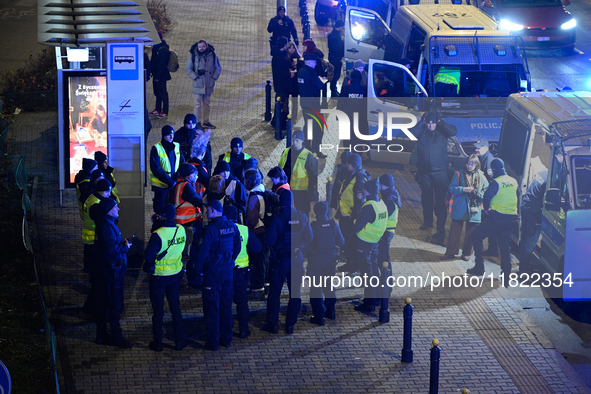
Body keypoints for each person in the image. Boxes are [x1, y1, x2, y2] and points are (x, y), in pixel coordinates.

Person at [193, 200, 241, 351]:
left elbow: (203, 252)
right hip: (227, 274)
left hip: (213, 275)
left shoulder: (211, 229)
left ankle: (213, 342)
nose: (206, 212)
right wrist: (229, 261)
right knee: (226, 307)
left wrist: (197, 270)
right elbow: (237, 247)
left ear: (213, 211)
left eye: (207, 210)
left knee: (212, 308)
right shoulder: (232, 227)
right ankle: (226, 339)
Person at [263, 190, 312, 334]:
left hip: (280, 260)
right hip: (297, 259)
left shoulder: (278, 219)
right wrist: (301, 248)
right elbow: (309, 237)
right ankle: (290, 325)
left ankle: (273, 325)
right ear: (292, 201)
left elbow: (270, 241)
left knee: (274, 293)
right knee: (295, 293)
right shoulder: (302, 216)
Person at [143, 204, 187, 352]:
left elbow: (149, 257)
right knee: (175, 309)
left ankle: (158, 343)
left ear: (162, 216)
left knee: (158, 311)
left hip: (159, 278)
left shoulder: (158, 234)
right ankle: (180, 341)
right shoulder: (181, 230)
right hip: (175, 275)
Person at [91, 198, 132, 348]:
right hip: (112, 271)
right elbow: (110, 249)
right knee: (115, 305)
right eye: (115, 207)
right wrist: (125, 247)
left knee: (105, 303)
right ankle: (116, 337)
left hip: (107, 270)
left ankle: (102, 335)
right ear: (108, 210)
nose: (118, 209)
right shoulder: (107, 227)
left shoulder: (106, 224)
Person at [467, 158, 518, 277]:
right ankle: (506, 273)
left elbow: (487, 197)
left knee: (476, 235)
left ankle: (479, 268)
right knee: (505, 246)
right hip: (510, 218)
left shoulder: (496, 182)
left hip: (497, 217)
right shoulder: (513, 181)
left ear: (493, 170)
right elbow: (518, 196)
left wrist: (487, 210)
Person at [413, 110, 457, 244]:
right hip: (425, 172)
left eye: (432, 124)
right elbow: (411, 133)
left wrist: (441, 122)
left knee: (439, 201)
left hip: (440, 172)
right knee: (426, 198)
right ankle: (428, 222)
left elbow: (453, 131)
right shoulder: (422, 131)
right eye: (428, 124)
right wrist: (421, 122)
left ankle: (440, 228)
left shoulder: (442, 131)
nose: (430, 126)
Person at [223, 205, 262, 339]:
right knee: (241, 301)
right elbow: (257, 248)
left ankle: (225, 331)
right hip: (241, 272)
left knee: (225, 301)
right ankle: (243, 330)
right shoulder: (244, 230)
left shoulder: (221, 229)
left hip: (226, 271)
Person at [441, 155, 488, 261]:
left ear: (476, 164)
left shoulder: (481, 176)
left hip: (474, 209)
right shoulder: (459, 174)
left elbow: (485, 190)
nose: (469, 166)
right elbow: (451, 188)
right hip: (460, 207)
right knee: (454, 232)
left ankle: (466, 253)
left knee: (471, 233)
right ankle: (450, 252)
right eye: (468, 163)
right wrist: (463, 189)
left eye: (472, 164)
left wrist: (478, 194)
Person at [353, 179, 388, 312]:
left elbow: (358, 225)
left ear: (367, 191)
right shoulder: (381, 203)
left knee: (367, 274)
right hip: (375, 242)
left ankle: (369, 304)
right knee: (374, 271)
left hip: (364, 243)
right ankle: (377, 298)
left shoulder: (369, 206)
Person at [308, 201, 344, 325]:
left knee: (316, 288)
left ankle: (319, 316)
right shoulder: (333, 224)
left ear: (315, 213)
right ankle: (331, 311)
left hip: (316, 261)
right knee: (329, 285)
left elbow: (308, 243)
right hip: (330, 261)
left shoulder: (313, 226)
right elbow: (341, 242)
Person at [334, 153, 369, 270]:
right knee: (346, 239)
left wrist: (354, 218)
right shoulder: (352, 175)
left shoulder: (359, 179)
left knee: (350, 240)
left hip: (350, 216)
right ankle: (349, 259)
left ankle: (351, 264)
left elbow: (359, 202)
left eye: (348, 164)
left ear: (352, 165)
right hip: (345, 214)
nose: (346, 165)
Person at [278, 129, 318, 214]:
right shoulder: (286, 151)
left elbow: (313, 175)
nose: (294, 142)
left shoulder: (307, 155)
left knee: (302, 213)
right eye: (293, 140)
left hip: (301, 191)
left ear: (302, 141)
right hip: (287, 188)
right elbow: (280, 168)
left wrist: (310, 192)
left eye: (297, 140)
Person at [244, 169, 270, 296]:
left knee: (257, 261)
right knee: (263, 259)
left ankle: (257, 288)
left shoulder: (254, 196)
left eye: (246, 179)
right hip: (264, 231)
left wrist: (247, 229)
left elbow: (252, 218)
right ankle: (264, 284)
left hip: (257, 232)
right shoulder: (262, 191)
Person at [170, 163, 203, 262]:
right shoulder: (186, 187)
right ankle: (184, 270)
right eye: (194, 174)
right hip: (187, 223)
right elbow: (198, 201)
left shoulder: (177, 185)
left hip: (179, 222)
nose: (196, 176)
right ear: (188, 176)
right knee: (186, 249)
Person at [186, 39, 222, 129]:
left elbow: (218, 67)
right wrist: (195, 76)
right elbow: (188, 69)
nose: (201, 48)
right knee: (197, 105)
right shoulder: (193, 56)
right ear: (197, 47)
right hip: (198, 84)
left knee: (206, 104)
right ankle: (197, 122)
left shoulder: (212, 55)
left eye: (203, 46)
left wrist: (213, 77)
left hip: (208, 84)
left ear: (206, 46)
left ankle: (206, 121)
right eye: (200, 47)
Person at [150, 125, 184, 214]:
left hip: (174, 184)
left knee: (172, 210)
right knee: (160, 210)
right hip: (161, 187)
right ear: (163, 136)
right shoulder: (156, 148)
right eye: (168, 135)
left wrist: (176, 179)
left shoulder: (177, 146)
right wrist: (170, 181)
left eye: (172, 134)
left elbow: (182, 163)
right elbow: (156, 169)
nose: (171, 137)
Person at [518, 170, 548, 274]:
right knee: (530, 241)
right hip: (533, 213)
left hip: (527, 207)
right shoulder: (549, 180)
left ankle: (523, 267)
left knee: (525, 238)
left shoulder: (543, 173)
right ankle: (524, 272)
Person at [298, 54, 326, 158]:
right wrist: (322, 80)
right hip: (313, 105)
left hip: (304, 103)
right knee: (318, 127)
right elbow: (320, 85)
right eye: (314, 62)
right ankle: (316, 150)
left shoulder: (300, 72)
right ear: (310, 63)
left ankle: (306, 148)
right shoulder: (310, 73)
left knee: (308, 126)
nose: (315, 64)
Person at [474, 139, 499, 257]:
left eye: (479, 148)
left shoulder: (488, 161)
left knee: (489, 224)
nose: (476, 149)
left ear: (486, 148)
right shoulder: (482, 158)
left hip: (489, 198)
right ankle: (491, 247)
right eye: (476, 147)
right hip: (486, 197)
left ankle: (492, 248)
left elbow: (491, 182)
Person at [377, 174, 402, 272]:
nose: (380, 188)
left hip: (386, 232)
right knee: (382, 258)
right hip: (387, 231)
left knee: (384, 259)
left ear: (387, 186)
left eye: (381, 185)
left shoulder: (389, 199)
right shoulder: (393, 194)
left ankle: (386, 284)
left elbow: (383, 215)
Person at [149, 31, 171, 119]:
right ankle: (157, 109)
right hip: (156, 75)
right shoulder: (156, 47)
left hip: (161, 76)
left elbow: (161, 65)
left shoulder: (162, 49)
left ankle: (165, 111)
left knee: (163, 93)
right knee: (157, 92)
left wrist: (157, 77)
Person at [327, 20, 345, 98]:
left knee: (337, 75)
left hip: (338, 58)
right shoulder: (333, 36)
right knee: (334, 76)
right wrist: (342, 41)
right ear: (340, 27)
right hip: (334, 59)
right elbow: (335, 48)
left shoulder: (337, 35)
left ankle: (334, 89)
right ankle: (333, 91)